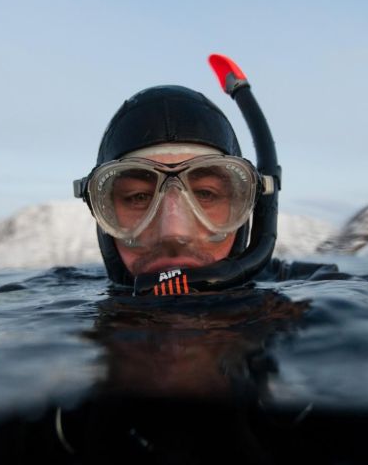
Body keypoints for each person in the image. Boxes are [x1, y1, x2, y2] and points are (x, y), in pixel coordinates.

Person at [74, 54, 342, 294]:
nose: (174, 232)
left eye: (205, 194)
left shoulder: (321, 290)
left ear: (247, 203)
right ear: (102, 212)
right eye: (138, 197)